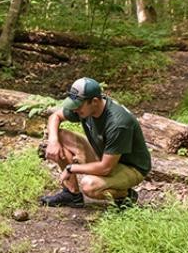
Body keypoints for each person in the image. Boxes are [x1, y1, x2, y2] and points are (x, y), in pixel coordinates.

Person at [40, 77, 151, 208]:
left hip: (131, 167)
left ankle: (125, 195)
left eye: (78, 106)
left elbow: (106, 168)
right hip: (104, 155)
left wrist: (71, 168)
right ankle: (72, 195)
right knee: (59, 135)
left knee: (89, 185)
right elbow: (55, 116)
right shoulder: (84, 108)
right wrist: (53, 141)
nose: (75, 110)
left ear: (95, 101)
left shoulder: (118, 123)